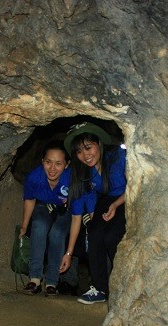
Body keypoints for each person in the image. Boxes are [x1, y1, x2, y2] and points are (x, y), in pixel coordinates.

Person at [59, 122, 126, 304]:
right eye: (79, 151)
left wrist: (117, 204)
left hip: (128, 197)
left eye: (88, 147)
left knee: (112, 237)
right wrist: (68, 254)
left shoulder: (118, 157)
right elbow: (76, 218)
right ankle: (99, 289)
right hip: (106, 201)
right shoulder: (84, 175)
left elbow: (137, 183)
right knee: (94, 235)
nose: (85, 155)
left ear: (99, 143)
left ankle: (123, 285)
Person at [19, 140, 72, 297]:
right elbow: (30, 200)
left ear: (67, 165)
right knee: (39, 225)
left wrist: (69, 252)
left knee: (57, 233)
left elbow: (77, 210)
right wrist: (23, 226)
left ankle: (51, 282)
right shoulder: (34, 177)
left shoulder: (72, 179)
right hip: (44, 206)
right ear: (42, 161)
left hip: (66, 210)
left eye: (58, 164)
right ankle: (35, 279)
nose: (52, 168)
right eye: (48, 162)